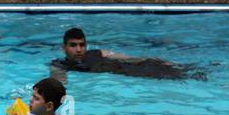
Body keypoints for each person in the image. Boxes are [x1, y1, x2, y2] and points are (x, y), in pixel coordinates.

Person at [50, 27, 204, 80]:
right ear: (64, 47)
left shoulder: (98, 52)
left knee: (172, 68)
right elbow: (58, 88)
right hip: (127, 73)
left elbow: (127, 58)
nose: (78, 49)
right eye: (73, 45)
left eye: (82, 45)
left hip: (129, 67)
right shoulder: (60, 65)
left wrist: (150, 59)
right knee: (176, 76)